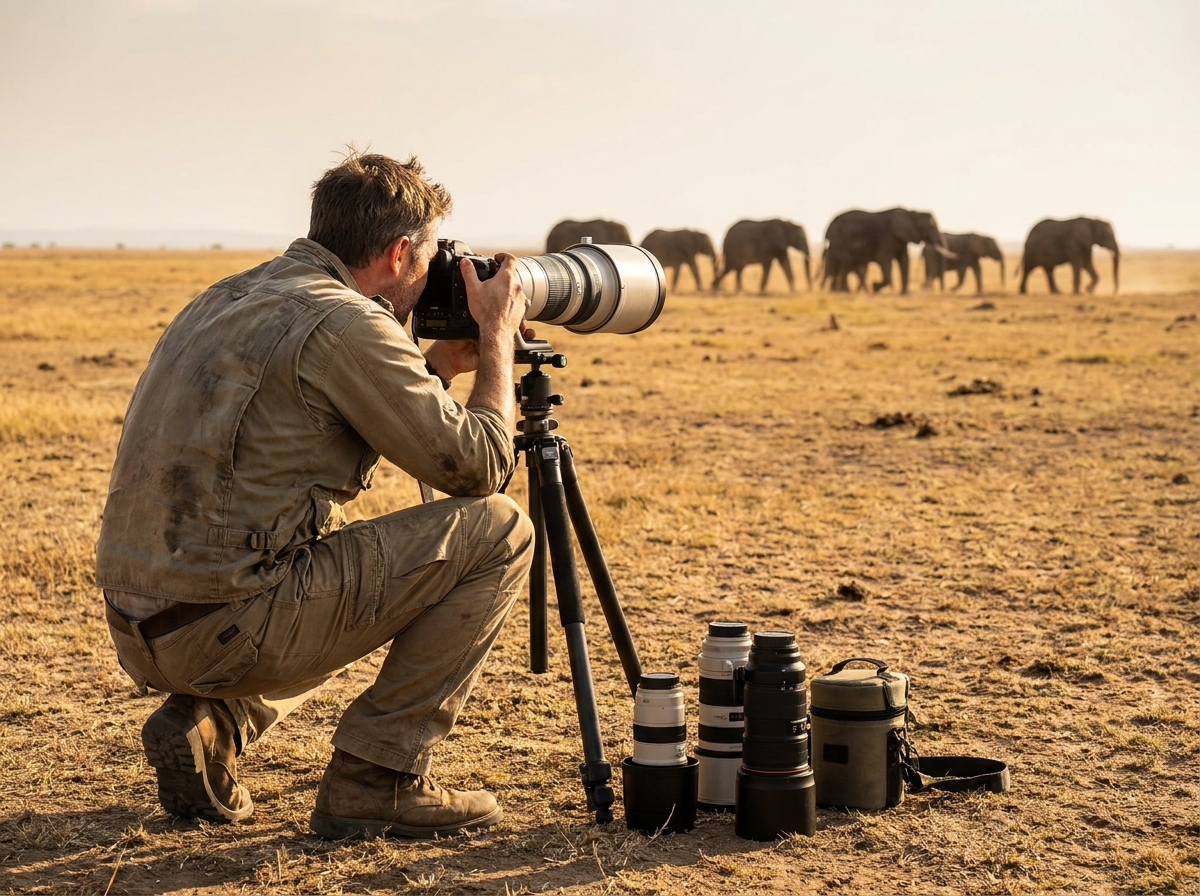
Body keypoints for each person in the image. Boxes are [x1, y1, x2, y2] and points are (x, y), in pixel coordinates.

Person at [95, 152, 535, 840]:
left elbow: (326, 398)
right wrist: (498, 338)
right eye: (430, 258)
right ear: (397, 253)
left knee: (315, 569)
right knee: (500, 529)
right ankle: (377, 779)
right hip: (229, 626)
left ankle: (219, 722)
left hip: (141, 622)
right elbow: (477, 468)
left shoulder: (227, 293)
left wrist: (437, 369)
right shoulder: (347, 323)